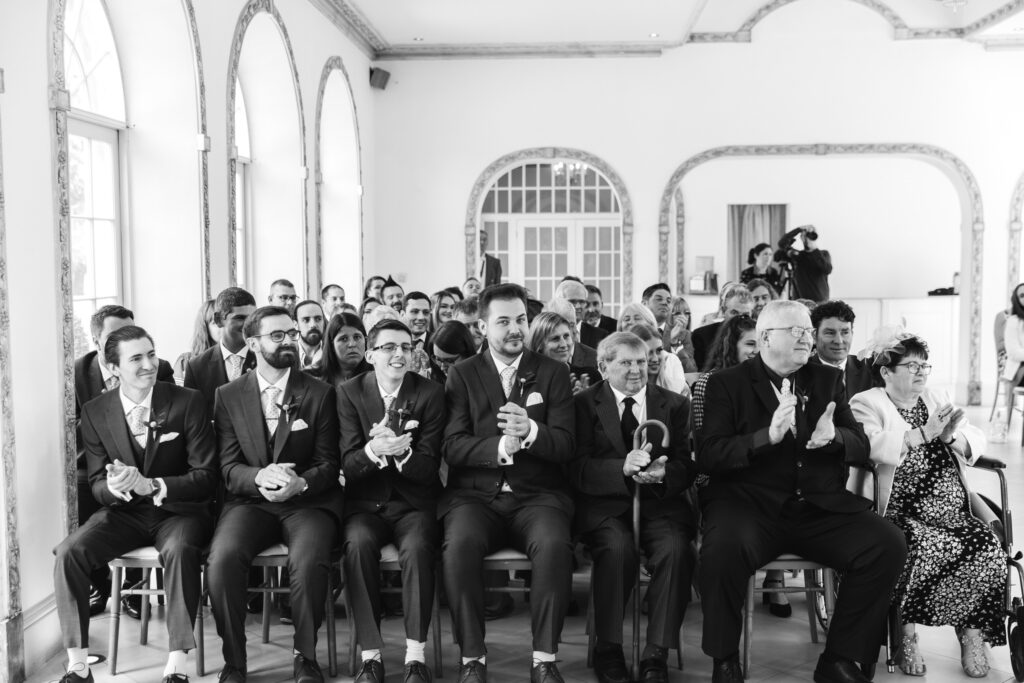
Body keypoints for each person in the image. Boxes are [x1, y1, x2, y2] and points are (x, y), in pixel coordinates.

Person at [695, 300, 906, 683]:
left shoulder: (826, 380)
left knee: (887, 543)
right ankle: (724, 658)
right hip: (749, 507)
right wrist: (766, 437)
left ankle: (839, 659)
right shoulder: (726, 384)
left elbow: (859, 444)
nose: (807, 339)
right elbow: (710, 455)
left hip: (817, 507)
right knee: (721, 551)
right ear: (764, 338)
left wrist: (833, 438)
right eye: (796, 332)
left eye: (808, 331)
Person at [56, 325, 217, 683]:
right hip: (123, 512)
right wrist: (114, 486)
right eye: (136, 358)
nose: (149, 364)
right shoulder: (96, 412)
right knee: (70, 552)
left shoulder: (187, 400)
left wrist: (154, 484)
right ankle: (78, 665)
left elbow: (207, 475)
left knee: (180, 550)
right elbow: (96, 484)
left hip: (179, 511)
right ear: (113, 368)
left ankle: (177, 662)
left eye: (151, 353)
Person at [440, 283, 576, 683]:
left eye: (520, 319)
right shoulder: (462, 375)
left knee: (554, 546)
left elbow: (567, 445)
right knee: (458, 546)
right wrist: (501, 444)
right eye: (503, 321)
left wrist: (532, 431)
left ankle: (544, 659)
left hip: (538, 496)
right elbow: (452, 446)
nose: (515, 328)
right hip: (474, 497)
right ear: (483, 327)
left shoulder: (552, 372)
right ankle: (472, 659)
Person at [850, 333, 1005, 679]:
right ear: (887, 372)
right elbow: (870, 447)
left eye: (925, 365)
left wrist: (950, 436)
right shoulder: (867, 402)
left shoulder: (936, 396)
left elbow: (974, 435)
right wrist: (922, 433)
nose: (921, 373)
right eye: (912, 366)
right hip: (901, 509)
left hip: (950, 508)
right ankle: (906, 636)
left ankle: (972, 634)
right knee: (917, 545)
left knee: (987, 546)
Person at [206, 306, 343, 683]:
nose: (289, 342)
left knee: (310, 558)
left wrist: (301, 483)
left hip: (307, 503)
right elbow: (228, 467)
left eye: (291, 334)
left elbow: (330, 463)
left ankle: (305, 657)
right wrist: (260, 477)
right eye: (277, 335)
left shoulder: (319, 393)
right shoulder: (227, 395)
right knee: (222, 559)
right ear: (253, 343)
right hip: (250, 503)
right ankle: (234, 661)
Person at [571, 332, 696, 683]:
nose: (636, 370)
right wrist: (619, 469)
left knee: (676, 550)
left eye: (641, 361)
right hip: (605, 508)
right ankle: (608, 647)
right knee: (617, 549)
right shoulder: (583, 404)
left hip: (660, 506)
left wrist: (663, 474)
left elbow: (687, 465)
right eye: (625, 362)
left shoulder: (673, 404)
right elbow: (576, 467)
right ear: (603, 366)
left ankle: (656, 652)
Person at [338, 319, 446, 683]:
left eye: (406, 346)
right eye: (389, 347)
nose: (399, 354)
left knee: (417, 549)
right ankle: (371, 656)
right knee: (356, 546)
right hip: (365, 505)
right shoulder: (349, 392)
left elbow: (431, 468)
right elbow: (348, 466)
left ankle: (416, 656)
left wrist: (401, 453)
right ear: (370, 355)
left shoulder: (430, 393)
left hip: (413, 503)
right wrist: (374, 450)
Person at [74, 305, 175, 617]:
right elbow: (76, 431)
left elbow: (174, 418)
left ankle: (133, 587)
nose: (126, 339)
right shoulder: (77, 372)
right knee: (80, 488)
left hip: (152, 464)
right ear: (97, 341)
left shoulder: (161, 368)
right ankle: (98, 583)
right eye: (115, 335)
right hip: (98, 461)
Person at [183, 287, 257, 415]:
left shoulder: (266, 357)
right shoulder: (196, 367)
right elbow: (193, 416)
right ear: (218, 320)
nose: (248, 324)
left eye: (252, 318)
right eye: (240, 318)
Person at [809, 300, 878, 401]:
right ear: (814, 336)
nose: (839, 341)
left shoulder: (870, 370)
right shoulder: (800, 373)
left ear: (852, 334)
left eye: (845, 332)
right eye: (830, 333)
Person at [526, 311, 598, 394]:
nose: (564, 344)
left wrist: (586, 400)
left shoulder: (591, 376)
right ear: (539, 344)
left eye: (566, 336)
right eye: (555, 339)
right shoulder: (527, 382)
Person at [692, 286, 754, 372]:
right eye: (734, 313)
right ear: (723, 310)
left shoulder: (758, 337)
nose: (739, 319)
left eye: (745, 315)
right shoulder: (702, 335)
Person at [310, 312, 372, 390]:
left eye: (357, 337)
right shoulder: (314, 378)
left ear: (365, 340)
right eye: (344, 339)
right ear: (332, 345)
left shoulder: (377, 375)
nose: (352, 344)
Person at [629, 323, 689, 397]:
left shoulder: (679, 389)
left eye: (659, 350)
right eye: (649, 353)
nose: (655, 359)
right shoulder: (620, 392)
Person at [173, 299, 220, 385]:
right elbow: (179, 395)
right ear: (205, 327)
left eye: (225, 321)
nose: (222, 326)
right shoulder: (185, 362)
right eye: (215, 322)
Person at [555, 279, 608, 349]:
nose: (578, 306)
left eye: (582, 302)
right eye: (572, 301)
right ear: (559, 302)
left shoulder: (600, 335)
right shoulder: (547, 332)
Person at [787, 226, 832, 303]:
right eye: (805, 235)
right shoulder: (798, 256)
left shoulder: (823, 254)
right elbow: (781, 244)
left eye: (811, 235)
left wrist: (814, 250)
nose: (808, 238)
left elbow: (827, 269)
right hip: (800, 301)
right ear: (801, 237)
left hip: (820, 300)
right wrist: (799, 229)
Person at [429, 320, 477, 384]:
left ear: (467, 355)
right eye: (438, 359)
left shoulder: (483, 381)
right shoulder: (428, 379)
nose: (442, 368)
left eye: (449, 361)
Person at [294, 300, 326, 370]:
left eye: (318, 319)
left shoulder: (333, 354)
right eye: (306, 320)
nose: (313, 325)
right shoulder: (288, 354)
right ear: (296, 325)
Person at [668, 296, 697, 373]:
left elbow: (691, 370)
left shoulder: (687, 335)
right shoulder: (658, 333)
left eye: (686, 313)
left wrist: (676, 345)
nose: (683, 317)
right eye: (677, 313)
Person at [640, 283, 674, 349]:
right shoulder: (633, 331)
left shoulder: (679, 334)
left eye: (668, 301)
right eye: (659, 299)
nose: (665, 303)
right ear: (644, 304)